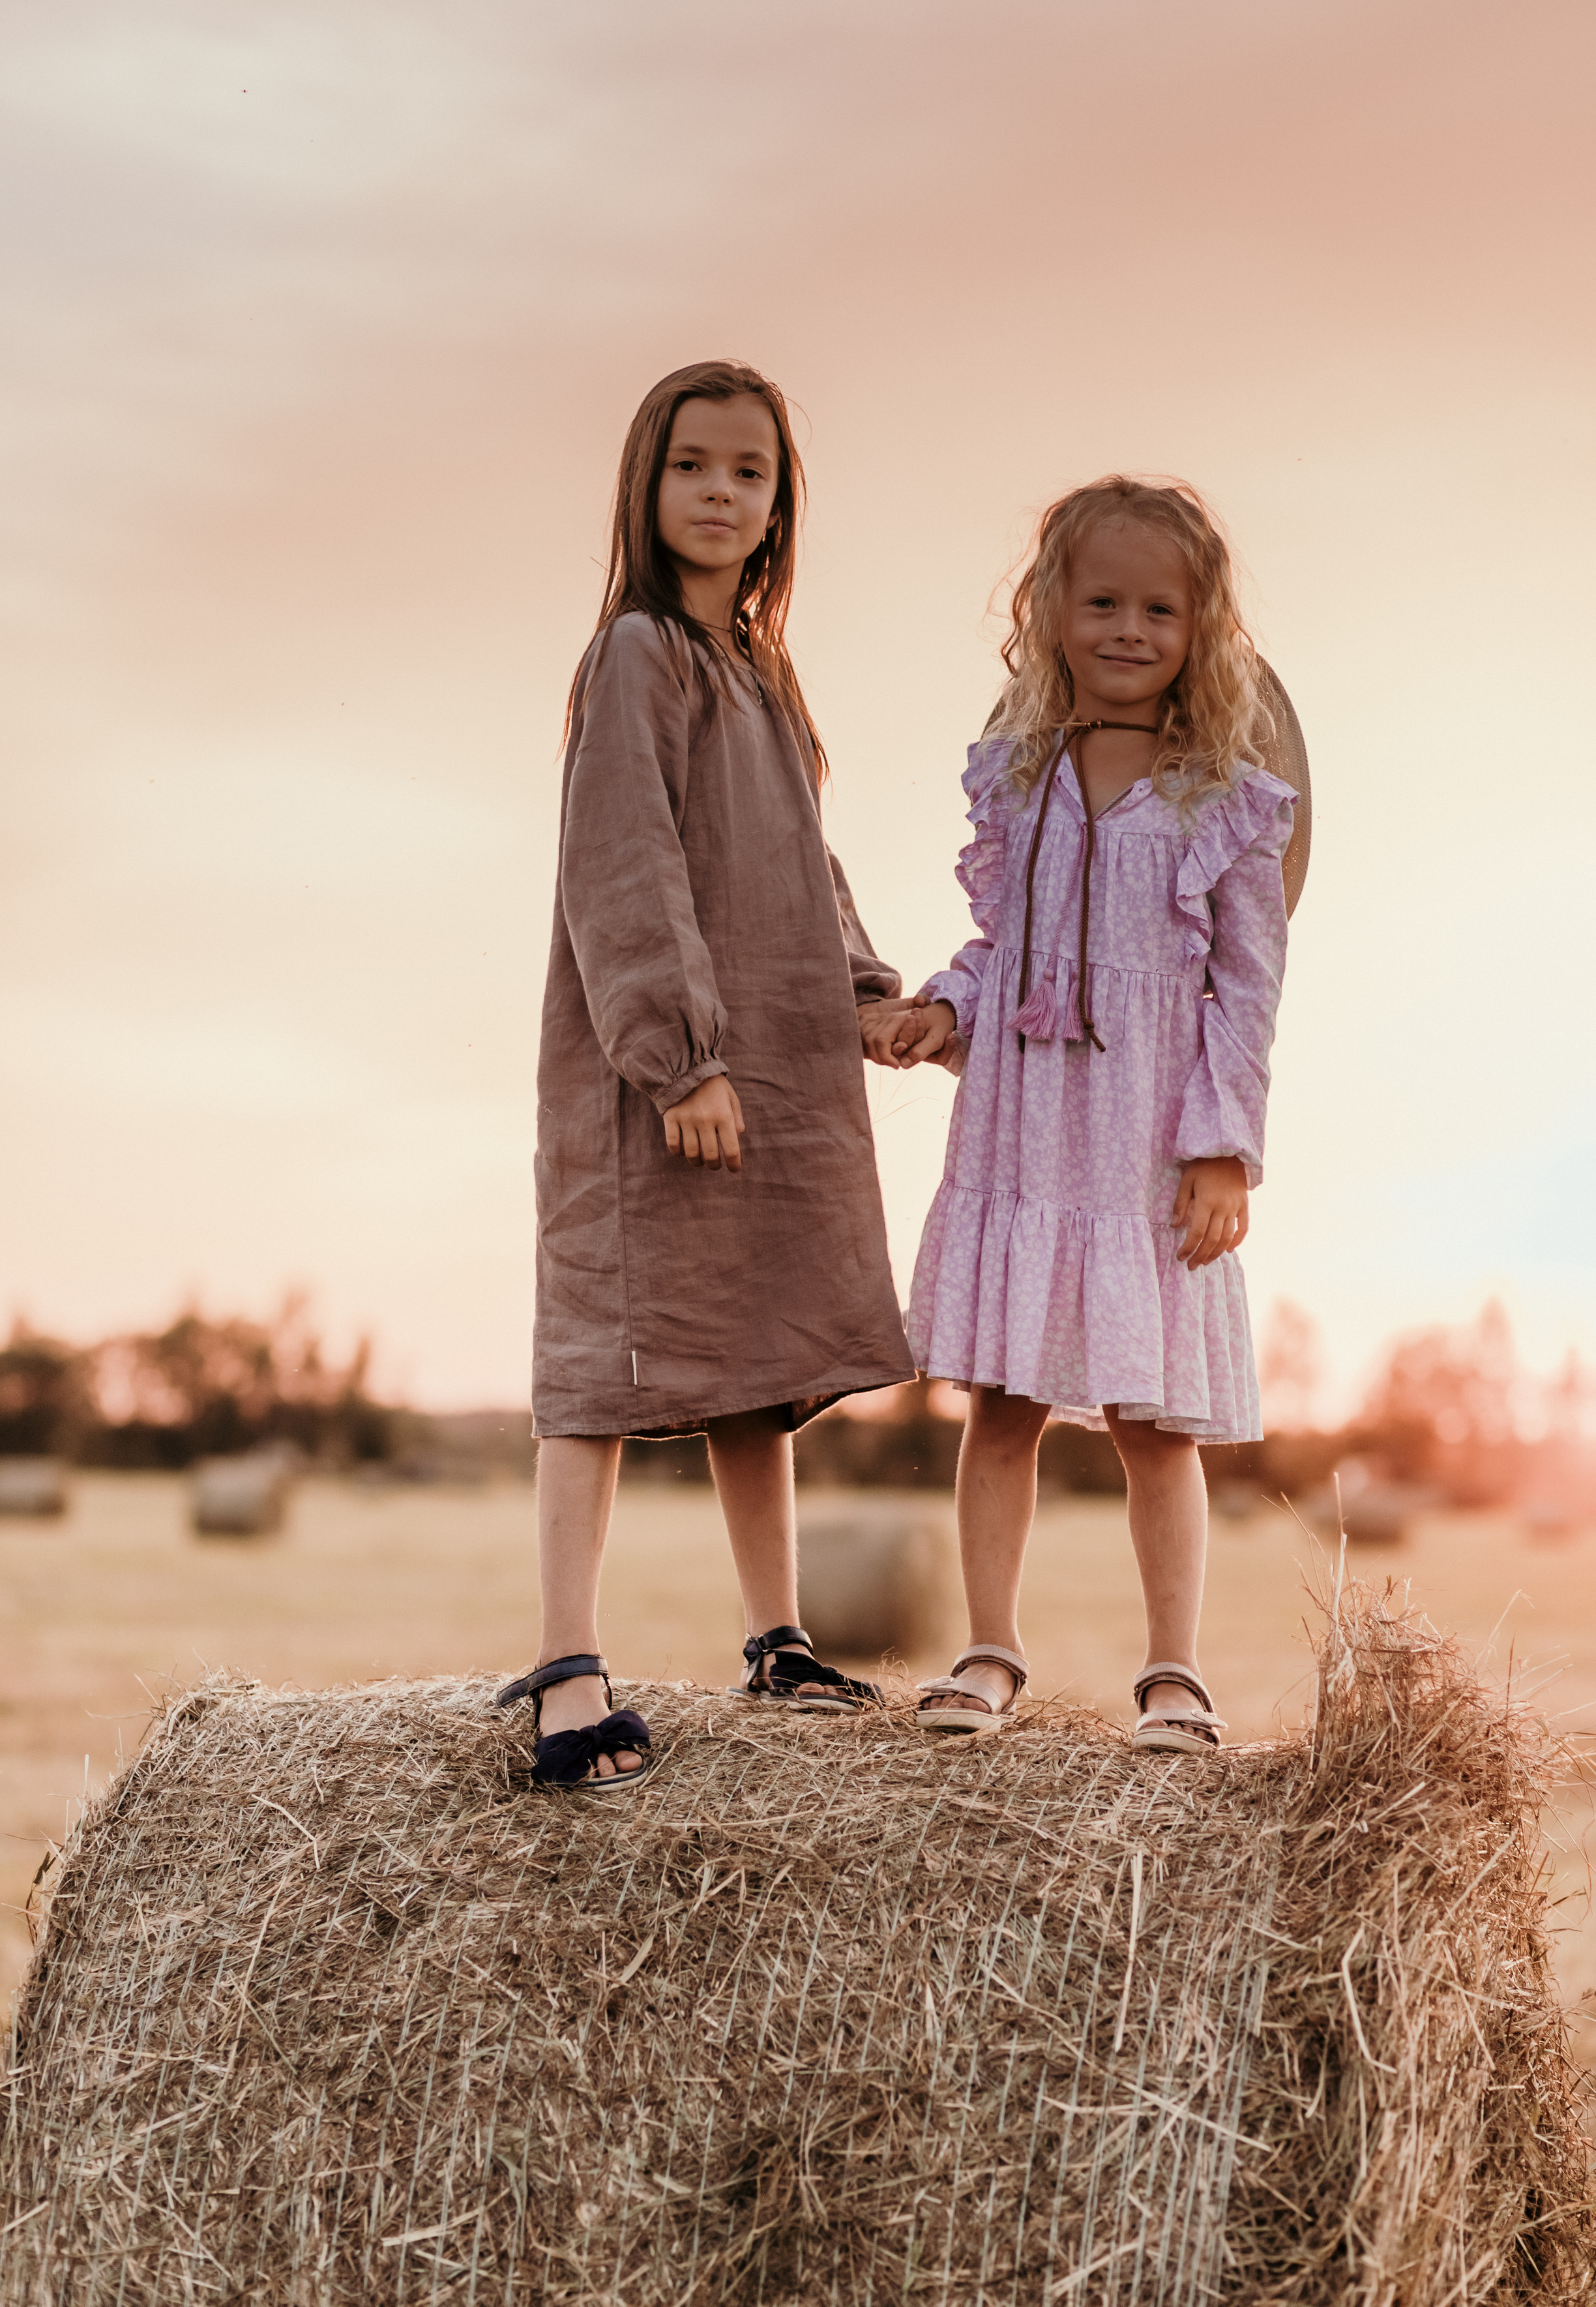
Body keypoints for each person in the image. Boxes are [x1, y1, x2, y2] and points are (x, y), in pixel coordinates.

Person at [498, 361, 917, 1792]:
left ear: (778, 501)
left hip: (772, 1060)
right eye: (693, 465)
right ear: (645, 482)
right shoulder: (637, 652)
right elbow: (624, 854)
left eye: (749, 471)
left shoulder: (762, 672)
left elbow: (805, 859)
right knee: (605, 1356)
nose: (720, 492)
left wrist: (865, 993)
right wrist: (676, 1056)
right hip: (659, 1065)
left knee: (762, 1346)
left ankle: (777, 1634)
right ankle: (567, 1661)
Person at [877, 477, 1294, 1753]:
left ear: (1198, 624)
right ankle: (987, 1648)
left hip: (1144, 1139)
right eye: (1098, 599)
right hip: (1023, 1127)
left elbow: (1246, 985)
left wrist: (1221, 1146)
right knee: (998, 1404)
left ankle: (1173, 1668)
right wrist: (942, 1007)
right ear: (1049, 610)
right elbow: (1000, 945)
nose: (1125, 627)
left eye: (1157, 608)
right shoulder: (1015, 779)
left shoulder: (1221, 793)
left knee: (1151, 1421)